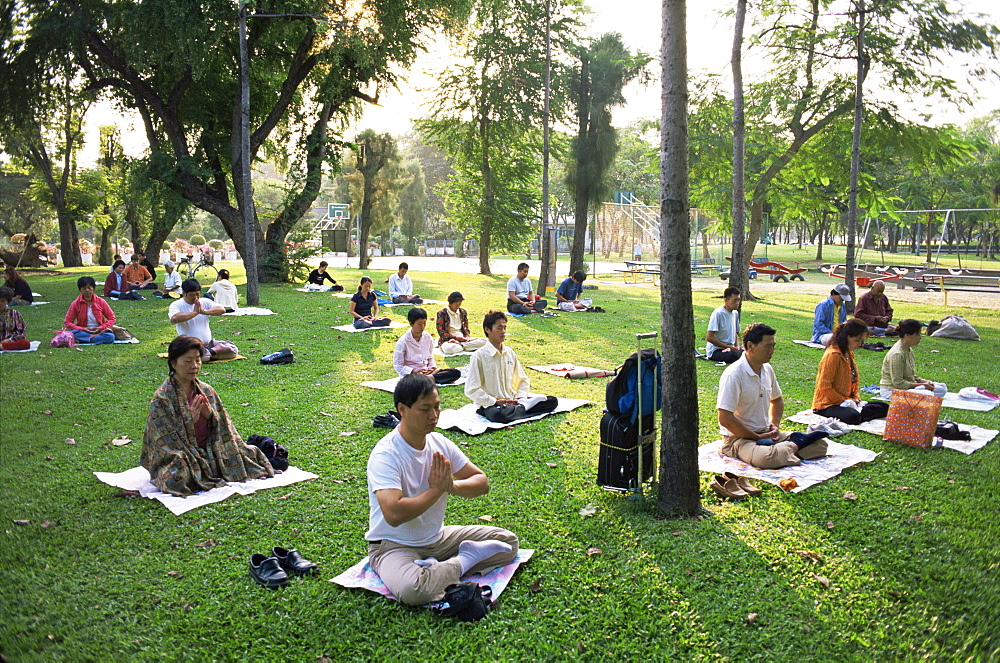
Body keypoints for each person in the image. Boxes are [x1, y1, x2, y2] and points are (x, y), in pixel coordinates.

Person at [366, 373, 519, 606]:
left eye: (437, 407)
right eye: (425, 409)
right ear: (402, 409)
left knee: (508, 543)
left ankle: (438, 568)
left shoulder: (439, 443)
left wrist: (451, 486)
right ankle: (464, 560)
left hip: (437, 539)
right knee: (413, 590)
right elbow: (393, 514)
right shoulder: (386, 454)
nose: (434, 415)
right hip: (393, 545)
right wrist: (437, 490)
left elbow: (481, 482)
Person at [141, 335, 274, 497]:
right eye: (187, 361)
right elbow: (160, 439)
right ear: (173, 363)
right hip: (182, 453)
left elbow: (225, 428)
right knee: (177, 477)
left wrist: (210, 415)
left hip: (211, 448)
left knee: (242, 456)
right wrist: (189, 421)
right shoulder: (163, 397)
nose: (194, 366)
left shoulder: (206, 390)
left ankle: (208, 462)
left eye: (197, 360)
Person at [717, 323, 827, 469]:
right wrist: (755, 437)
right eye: (767, 346)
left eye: (773, 346)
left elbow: (777, 400)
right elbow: (725, 418)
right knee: (766, 458)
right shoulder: (734, 374)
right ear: (750, 346)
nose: (772, 351)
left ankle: (787, 448)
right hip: (739, 439)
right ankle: (796, 444)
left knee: (820, 445)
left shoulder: (767, 369)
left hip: (765, 433)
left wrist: (774, 426)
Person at [465, 310, 558, 423]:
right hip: (491, 405)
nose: (503, 331)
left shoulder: (509, 353)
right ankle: (523, 409)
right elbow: (471, 389)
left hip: (513, 401)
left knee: (552, 401)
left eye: (505, 327)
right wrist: (494, 401)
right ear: (487, 329)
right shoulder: (479, 356)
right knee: (498, 414)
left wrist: (520, 397)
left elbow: (522, 380)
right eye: (499, 328)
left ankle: (520, 407)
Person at [812, 319, 889, 424]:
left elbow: (853, 381)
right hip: (827, 404)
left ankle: (860, 413)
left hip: (847, 401)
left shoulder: (848, 353)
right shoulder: (833, 355)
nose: (860, 344)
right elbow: (824, 387)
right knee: (853, 416)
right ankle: (859, 414)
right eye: (857, 340)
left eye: (861, 341)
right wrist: (844, 400)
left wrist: (855, 399)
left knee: (884, 407)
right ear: (846, 337)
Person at [168, 279, 235, 360]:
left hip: (209, 343)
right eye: (192, 295)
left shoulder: (204, 301)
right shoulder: (176, 305)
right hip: (190, 346)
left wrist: (204, 312)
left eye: (197, 294)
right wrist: (195, 313)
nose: (195, 298)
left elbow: (221, 310)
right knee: (196, 358)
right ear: (184, 294)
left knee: (234, 350)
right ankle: (215, 351)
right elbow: (174, 319)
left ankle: (210, 352)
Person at [879, 318, 946, 398]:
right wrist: (922, 385)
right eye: (917, 334)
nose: (920, 337)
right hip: (892, 390)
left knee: (942, 388)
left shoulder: (908, 349)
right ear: (907, 335)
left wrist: (924, 381)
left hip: (906, 387)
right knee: (928, 394)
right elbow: (898, 383)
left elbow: (909, 375)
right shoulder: (897, 354)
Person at [393, 308, 462, 384]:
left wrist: (432, 368)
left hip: (427, 372)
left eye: (424, 323)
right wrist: (413, 371)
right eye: (419, 324)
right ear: (411, 324)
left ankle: (428, 378)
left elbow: (429, 357)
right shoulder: (403, 341)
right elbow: (398, 365)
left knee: (455, 372)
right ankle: (427, 379)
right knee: (412, 381)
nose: (422, 327)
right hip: (412, 374)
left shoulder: (427, 337)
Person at [63, 276, 116, 344]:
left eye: (89, 288)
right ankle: (91, 338)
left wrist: (101, 327)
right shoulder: (75, 303)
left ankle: (83, 339)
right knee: (69, 334)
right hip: (83, 331)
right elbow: (67, 322)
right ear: (80, 289)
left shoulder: (101, 301)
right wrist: (82, 329)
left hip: (99, 331)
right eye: (84, 288)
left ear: (93, 288)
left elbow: (112, 318)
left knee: (110, 336)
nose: (87, 290)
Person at [705, 286, 743, 364]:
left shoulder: (735, 313)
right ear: (726, 300)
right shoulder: (718, 313)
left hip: (731, 349)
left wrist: (737, 347)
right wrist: (727, 347)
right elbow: (709, 337)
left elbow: (735, 333)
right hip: (717, 350)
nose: (737, 303)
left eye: (738, 300)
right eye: (735, 300)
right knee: (735, 355)